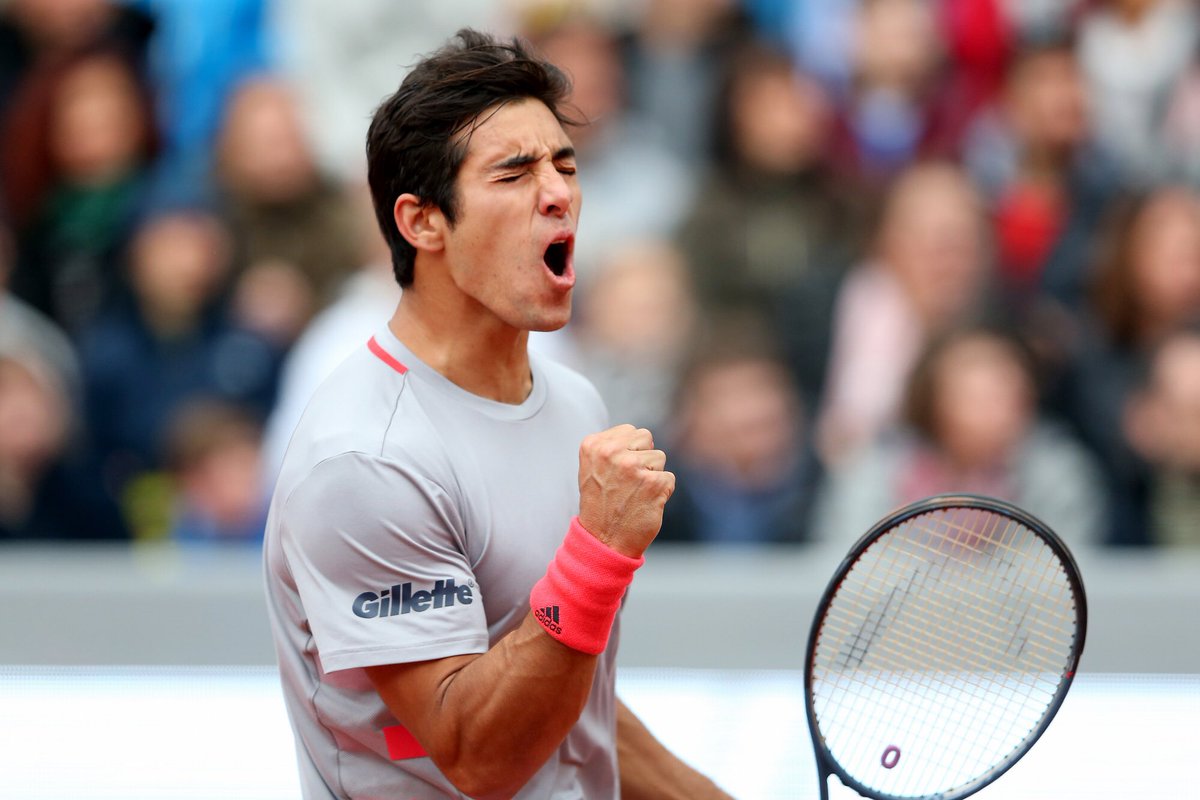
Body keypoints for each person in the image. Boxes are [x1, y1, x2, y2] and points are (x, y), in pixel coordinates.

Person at [262, 29, 731, 799]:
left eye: (565, 164)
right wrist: (599, 549)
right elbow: (478, 755)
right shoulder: (364, 460)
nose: (558, 192)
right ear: (422, 222)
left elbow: (575, 712)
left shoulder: (573, 397)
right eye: (514, 172)